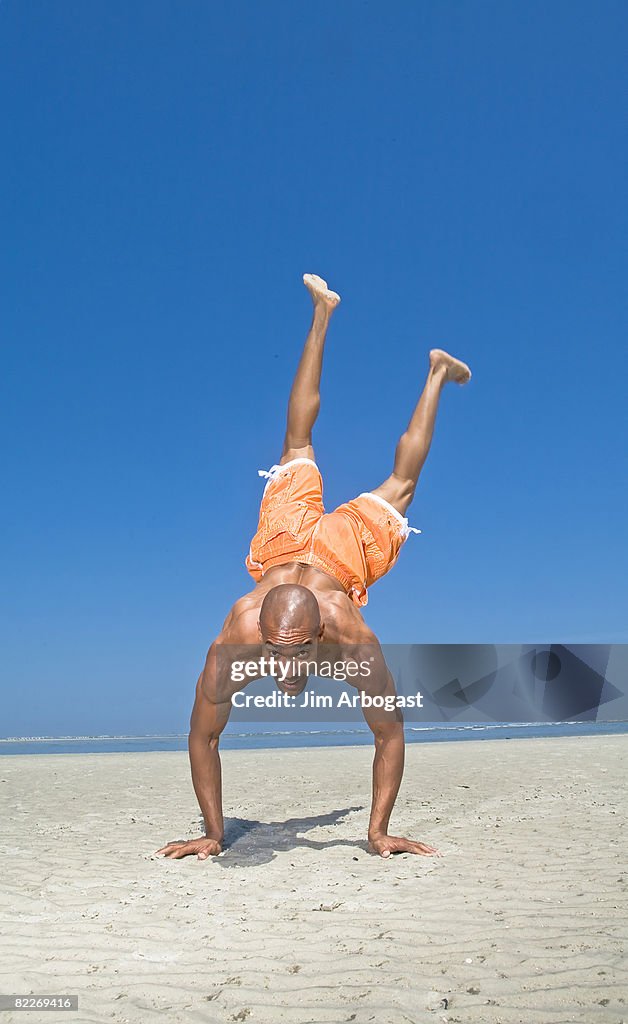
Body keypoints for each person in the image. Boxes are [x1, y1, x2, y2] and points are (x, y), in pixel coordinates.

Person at [156, 274, 471, 861]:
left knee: (399, 483)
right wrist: (214, 832)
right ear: (260, 631)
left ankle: (436, 374)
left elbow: (390, 732)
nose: (284, 662)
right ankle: (322, 312)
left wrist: (377, 833)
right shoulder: (234, 640)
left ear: (323, 632)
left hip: (338, 556)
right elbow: (203, 735)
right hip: (282, 550)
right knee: (296, 442)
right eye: (277, 650)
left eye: (296, 651)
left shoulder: (354, 639)